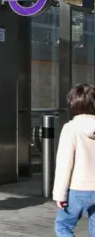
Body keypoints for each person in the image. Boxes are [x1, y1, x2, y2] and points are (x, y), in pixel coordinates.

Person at [53, 83, 95, 236]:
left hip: (78, 189)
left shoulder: (71, 128)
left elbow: (64, 164)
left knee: (63, 226)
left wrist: (59, 194)